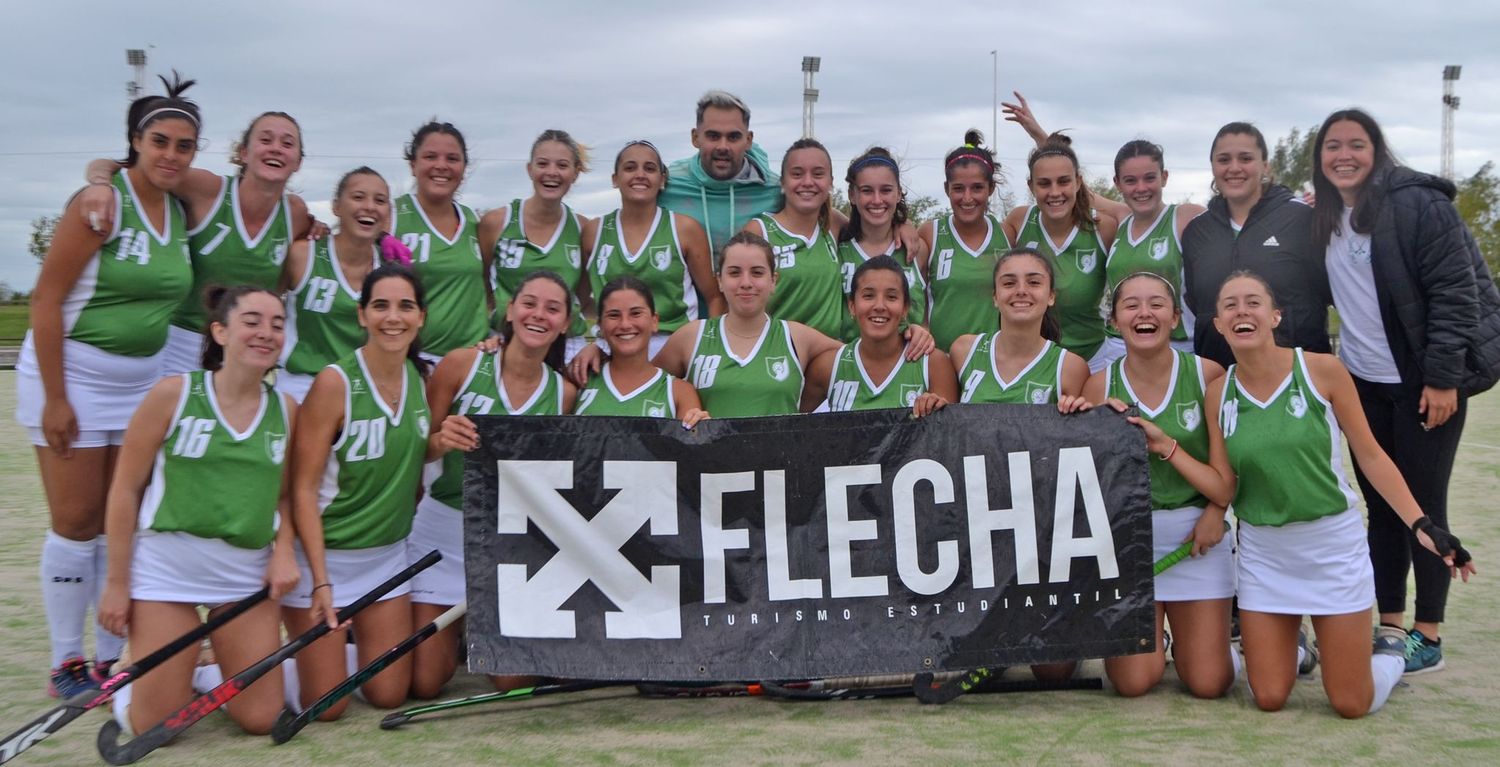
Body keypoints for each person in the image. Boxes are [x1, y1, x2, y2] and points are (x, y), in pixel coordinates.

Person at [1146, 270, 1474, 718]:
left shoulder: (1322, 369)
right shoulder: (1218, 393)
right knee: (1269, 697)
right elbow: (1225, 485)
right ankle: (1300, 651)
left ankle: (1391, 658)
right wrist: (1168, 448)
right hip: (1265, 553)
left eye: (1253, 302)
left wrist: (1422, 524)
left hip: (1332, 549)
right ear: (1219, 325)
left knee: (1350, 702)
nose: (1242, 311)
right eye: (1230, 305)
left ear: (1275, 315)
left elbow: (1372, 457)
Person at [15, 75, 199, 697]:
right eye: (160, 142)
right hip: (72, 379)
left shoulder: (178, 210)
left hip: (138, 386)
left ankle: (112, 657)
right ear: (135, 143)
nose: (172, 155)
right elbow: (45, 300)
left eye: (184, 145)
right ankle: (67, 662)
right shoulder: (101, 203)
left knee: (121, 521)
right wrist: (58, 398)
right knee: (75, 520)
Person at [1311, 108, 1500, 674]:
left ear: (1378, 150)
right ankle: (1391, 623)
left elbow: (1456, 292)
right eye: (1332, 147)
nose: (1344, 155)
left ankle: (1429, 633)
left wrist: (1443, 379)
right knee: (1383, 508)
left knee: (1423, 503)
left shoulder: (1419, 204)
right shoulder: (1324, 216)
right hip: (1367, 383)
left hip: (1424, 383)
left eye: (1356, 145)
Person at [97, 286, 298, 736]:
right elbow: (125, 490)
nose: (265, 333)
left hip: (243, 576)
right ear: (220, 331)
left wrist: (283, 552)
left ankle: (204, 670)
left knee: (262, 718)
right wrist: (116, 582)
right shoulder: (174, 394)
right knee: (155, 729)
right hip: (168, 570)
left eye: (277, 324)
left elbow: (284, 496)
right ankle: (131, 686)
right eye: (252, 321)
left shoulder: (285, 409)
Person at [416, 270, 578, 694]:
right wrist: (442, 440)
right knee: (425, 681)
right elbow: (419, 449)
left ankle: (483, 625)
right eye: (528, 302)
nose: (537, 314)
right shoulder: (461, 365)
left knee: (511, 678)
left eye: (552, 308)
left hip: (508, 540)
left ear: (565, 324)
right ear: (509, 310)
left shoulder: (563, 393)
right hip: (444, 529)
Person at [284, 264, 431, 716]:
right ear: (361, 315)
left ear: (421, 317)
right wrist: (320, 579)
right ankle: (232, 668)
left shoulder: (420, 379)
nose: (393, 317)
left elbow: (410, 458)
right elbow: (302, 488)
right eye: (381, 306)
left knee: (389, 694)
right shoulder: (335, 382)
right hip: (324, 561)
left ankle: (333, 659)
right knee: (327, 709)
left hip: (385, 559)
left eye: (405, 306)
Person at [1083, 273, 1233, 698]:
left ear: (1175, 317)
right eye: (1131, 305)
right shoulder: (1097, 385)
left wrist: (1216, 513)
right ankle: (1163, 642)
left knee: (1208, 683)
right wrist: (1073, 412)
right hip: (1131, 542)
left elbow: (1227, 479)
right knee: (1132, 683)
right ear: (1114, 321)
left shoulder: (1208, 375)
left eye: (1155, 304)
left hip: (1196, 537)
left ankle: (1235, 651)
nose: (1144, 313)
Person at [80, 111, 318, 375]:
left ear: (298, 161)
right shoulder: (206, 188)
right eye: (265, 140)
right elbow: (114, 166)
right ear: (243, 153)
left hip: (243, 350)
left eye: (287, 144)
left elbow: (284, 280)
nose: (276, 149)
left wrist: (320, 228)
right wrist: (100, 184)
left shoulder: (295, 213)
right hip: (180, 345)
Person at [1182, 122, 1331, 369]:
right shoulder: (1197, 232)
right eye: (1224, 159)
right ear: (1213, 167)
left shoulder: (1303, 219)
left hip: (1296, 378)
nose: (1234, 168)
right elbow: (1198, 304)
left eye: (1246, 158)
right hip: (1222, 379)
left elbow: (1330, 292)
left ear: (1265, 165)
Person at [653, 231, 845, 417]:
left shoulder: (796, 337)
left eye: (757, 273)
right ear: (720, 281)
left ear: (773, 281)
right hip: (711, 450)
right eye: (735, 273)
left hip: (780, 450)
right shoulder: (691, 336)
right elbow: (646, 387)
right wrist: (684, 413)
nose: (746, 282)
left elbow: (857, 358)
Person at [585, 140, 722, 354]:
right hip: (613, 343)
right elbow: (582, 296)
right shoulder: (594, 231)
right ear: (615, 179)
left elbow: (714, 296)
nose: (640, 174)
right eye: (630, 168)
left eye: (649, 168)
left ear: (662, 180)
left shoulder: (684, 228)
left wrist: (710, 348)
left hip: (673, 343)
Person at [279, 167, 395, 401]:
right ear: (337, 206)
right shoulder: (303, 255)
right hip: (301, 384)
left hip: (362, 388)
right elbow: (266, 301)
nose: (370, 206)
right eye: (358, 197)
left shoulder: (391, 269)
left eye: (380, 200)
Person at [1003, 136, 1118, 372]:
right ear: (1031, 186)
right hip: (1033, 360)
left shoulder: (1103, 227)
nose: (1055, 192)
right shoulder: (1019, 222)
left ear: (1078, 182)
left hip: (1092, 359)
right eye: (1044, 183)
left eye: (1063, 181)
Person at [480, 129, 593, 358]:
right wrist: (499, 315)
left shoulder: (583, 229)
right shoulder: (497, 222)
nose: (552, 173)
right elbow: (479, 284)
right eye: (543, 164)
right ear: (529, 169)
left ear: (575, 173)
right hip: (506, 341)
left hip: (566, 345)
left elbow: (581, 293)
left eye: (562, 165)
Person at [1096, 141, 1206, 364]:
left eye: (1149, 178)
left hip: (1176, 348)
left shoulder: (1185, 217)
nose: (1141, 188)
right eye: (1130, 180)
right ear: (1117, 183)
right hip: (1118, 347)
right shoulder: (1122, 218)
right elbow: (1077, 190)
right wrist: (1043, 139)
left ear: (1164, 177)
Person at [803, 255, 957, 415]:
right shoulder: (827, 366)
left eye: (891, 297)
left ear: (905, 308)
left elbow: (947, 434)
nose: (879, 306)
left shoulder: (934, 364)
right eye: (868, 296)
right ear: (852, 306)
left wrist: (932, 405)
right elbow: (792, 427)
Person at [393, 120, 490, 360]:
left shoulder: (474, 222)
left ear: (464, 167)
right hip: (413, 359)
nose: (441, 166)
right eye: (430, 157)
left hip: (472, 359)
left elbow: (487, 286)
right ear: (413, 164)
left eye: (452, 159)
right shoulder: (391, 216)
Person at [658, 91, 784, 263]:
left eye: (733, 137)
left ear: (748, 140)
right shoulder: (668, 184)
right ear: (695, 138)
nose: (723, 146)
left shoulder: (776, 189)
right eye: (713, 136)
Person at [922, 130, 1013, 351]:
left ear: (990, 188)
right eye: (958, 189)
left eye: (977, 188)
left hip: (993, 363)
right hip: (941, 360)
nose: (968, 198)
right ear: (947, 189)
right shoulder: (930, 234)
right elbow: (916, 302)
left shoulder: (1008, 234)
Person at [745, 138, 845, 339]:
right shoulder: (760, 231)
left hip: (828, 357)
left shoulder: (833, 223)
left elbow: (876, 232)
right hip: (777, 359)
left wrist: (902, 226)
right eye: (797, 174)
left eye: (818, 174)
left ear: (831, 182)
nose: (807, 182)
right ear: (782, 182)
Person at [574, 276, 709, 424]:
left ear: (654, 321)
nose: (625, 324)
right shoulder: (580, 380)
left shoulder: (679, 392)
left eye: (636, 313)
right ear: (600, 325)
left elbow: (691, 445)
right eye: (614, 315)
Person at [836, 148, 929, 341]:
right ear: (852, 195)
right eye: (867, 191)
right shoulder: (837, 248)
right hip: (849, 366)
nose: (877, 200)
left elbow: (928, 314)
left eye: (886, 190)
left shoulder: (917, 249)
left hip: (909, 365)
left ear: (899, 193)